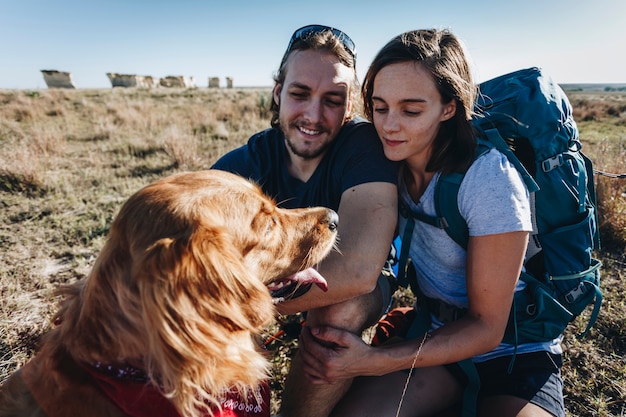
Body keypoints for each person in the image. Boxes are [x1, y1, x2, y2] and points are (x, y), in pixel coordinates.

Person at [296, 29, 566, 417]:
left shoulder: (489, 181)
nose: (389, 126)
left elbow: (487, 328)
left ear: (449, 107)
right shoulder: (385, 166)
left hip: (515, 351)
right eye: (380, 106)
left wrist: (374, 361)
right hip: (436, 337)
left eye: (411, 110)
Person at [211, 25, 399, 417]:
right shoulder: (241, 166)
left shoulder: (363, 147)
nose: (313, 115)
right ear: (278, 92)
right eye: (299, 94)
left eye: (333, 100)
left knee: (338, 313)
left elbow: (360, 270)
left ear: (350, 108)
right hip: (275, 283)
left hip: (366, 284)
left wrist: (226, 304)